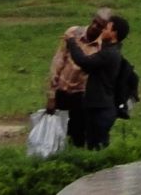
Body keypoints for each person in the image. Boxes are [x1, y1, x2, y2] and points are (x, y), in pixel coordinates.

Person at [63, 13, 135, 150]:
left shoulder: (109, 54)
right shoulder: (109, 51)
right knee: (93, 144)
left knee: (97, 147)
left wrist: (72, 41)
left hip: (101, 108)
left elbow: (83, 61)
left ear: (114, 33)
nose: (102, 30)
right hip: (98, 106)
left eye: (106, 28)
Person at [46, 7, 117, 136]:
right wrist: (51, 94)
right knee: (55, 132)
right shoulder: (73, 32)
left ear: (106, 29)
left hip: (81, 95)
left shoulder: (102, 48)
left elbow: (86, 64)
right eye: (94, 22)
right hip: (62, 90)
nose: (95, 26)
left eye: (100, 26)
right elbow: (58, 61)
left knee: (77, 133)